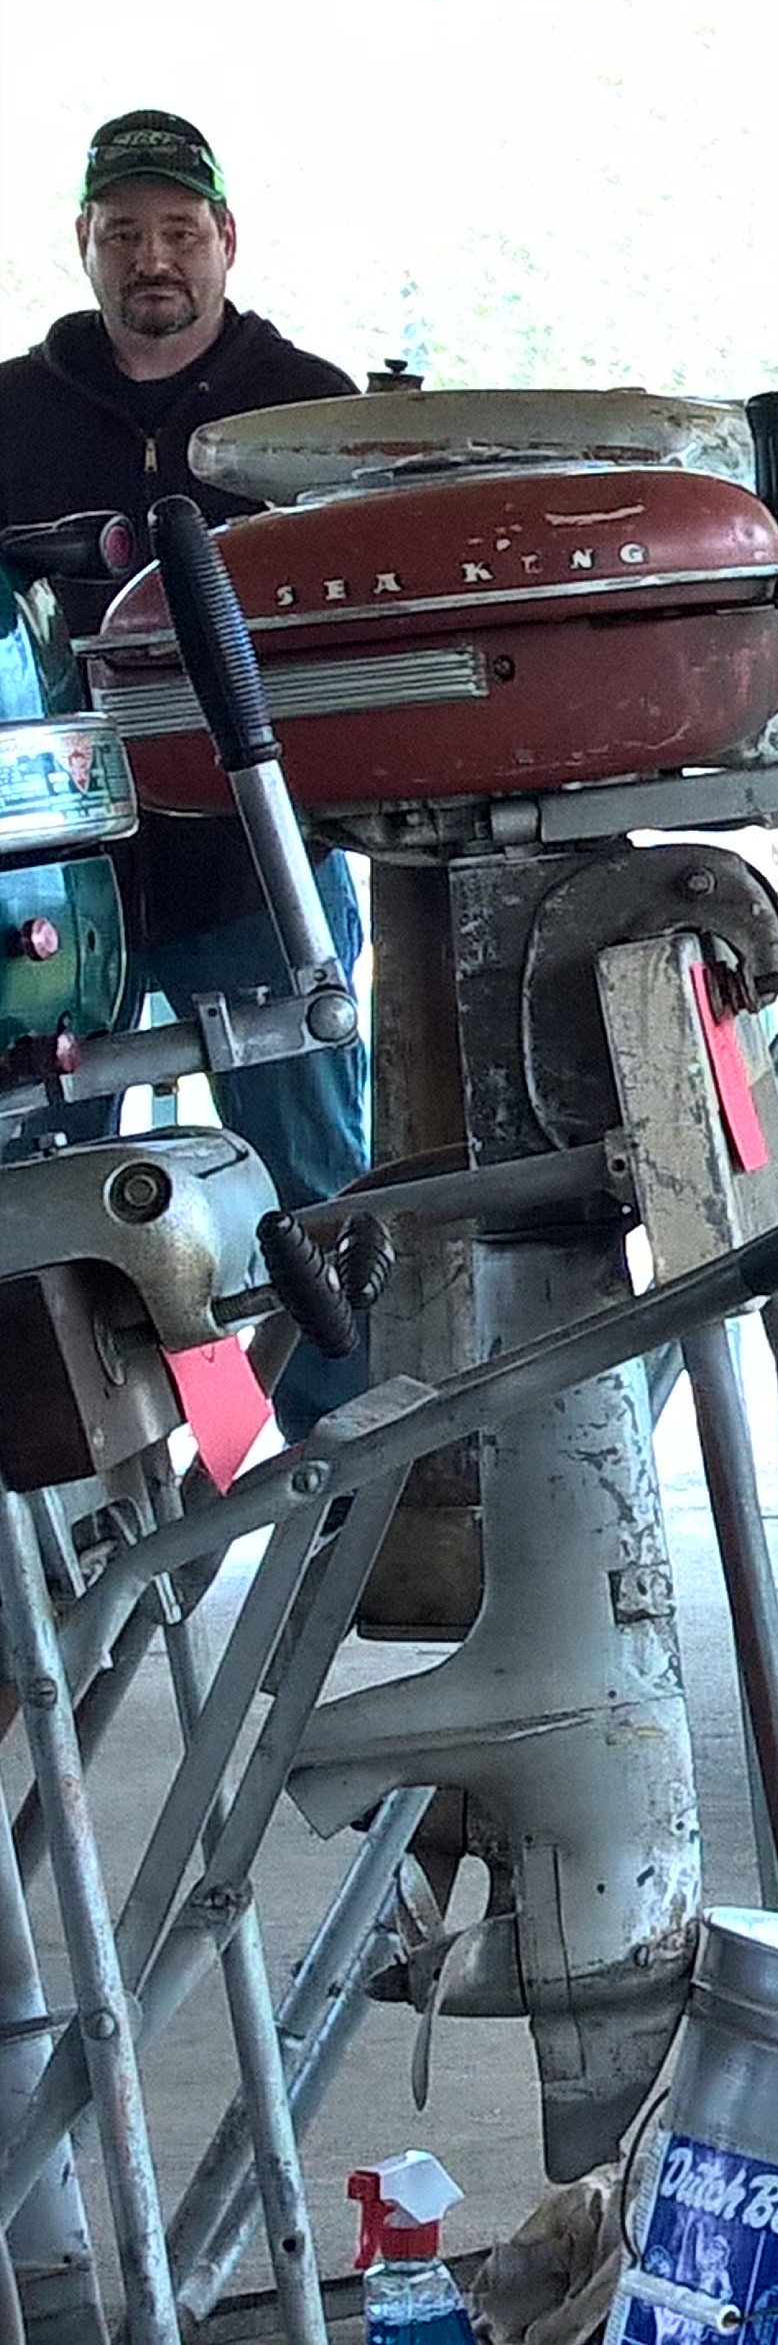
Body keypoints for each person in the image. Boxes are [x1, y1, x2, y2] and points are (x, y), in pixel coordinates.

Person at [0, 110, 372, 1437]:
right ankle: (104, 1499)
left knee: (311, 1187)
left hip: (254, 866)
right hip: (56, 893)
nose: (151, 259)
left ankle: (361, 1475)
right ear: (83, 244)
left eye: (176, 231)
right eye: (123, 233)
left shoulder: (308, 410)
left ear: (226, 239)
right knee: (46, 1202)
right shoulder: (12, 412)